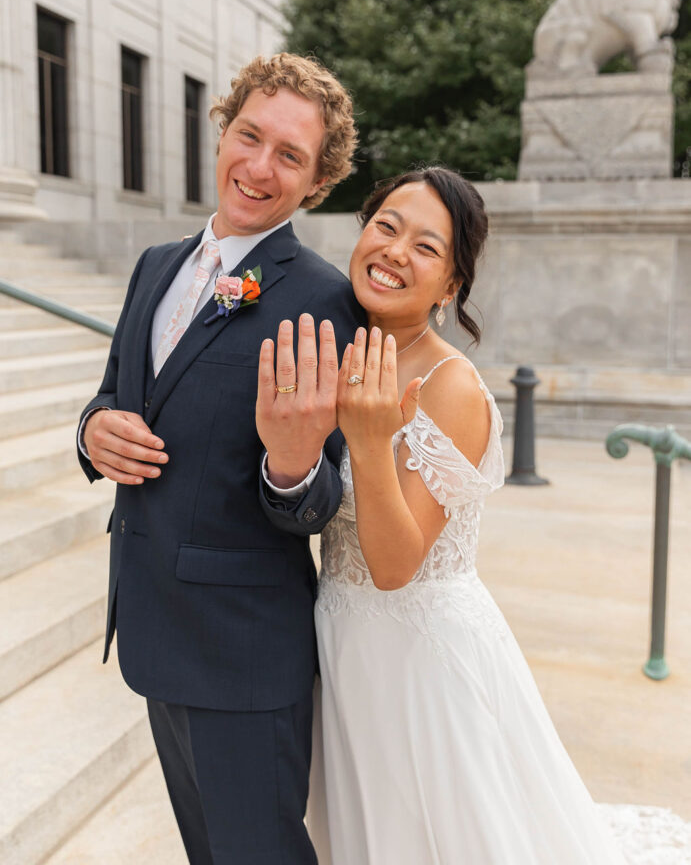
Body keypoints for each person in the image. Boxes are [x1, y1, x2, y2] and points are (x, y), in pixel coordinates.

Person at [259, 166, 691, 863]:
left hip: (420, 659)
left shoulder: (449, 385)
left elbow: (397, 566)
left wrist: (370, 443)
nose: (396, 252)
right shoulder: (341, 346)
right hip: (342, 643)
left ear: (452, 285)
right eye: (386, 226)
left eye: (426, 248)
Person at [77, 52, 365, 865]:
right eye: (250, 136)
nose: (258, 167)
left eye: (289, 156)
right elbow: (114, 395)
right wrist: (91, 432)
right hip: (152, 624)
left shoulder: (318, 297)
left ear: (316, 182)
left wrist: (294, 460)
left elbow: (317, 499)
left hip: (242, 651)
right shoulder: (155, 266)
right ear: (223, 129)